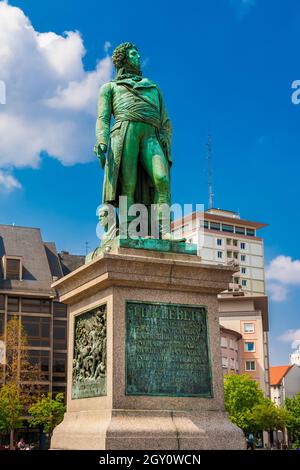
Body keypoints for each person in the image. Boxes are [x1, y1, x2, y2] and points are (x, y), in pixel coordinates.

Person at [94, 42, 173, 239]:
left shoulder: (154, 88)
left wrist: (164, 138)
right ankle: (130, 231)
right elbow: (103, 118)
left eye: (138, 53)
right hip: (124, 131)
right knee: (127, 183)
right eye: (133, 53)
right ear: (123, 58)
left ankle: (164, 232)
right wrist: (101, 140)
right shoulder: (110, 87)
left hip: (151, 136)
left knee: (162, 180)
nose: (138, 57)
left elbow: (165, 121)